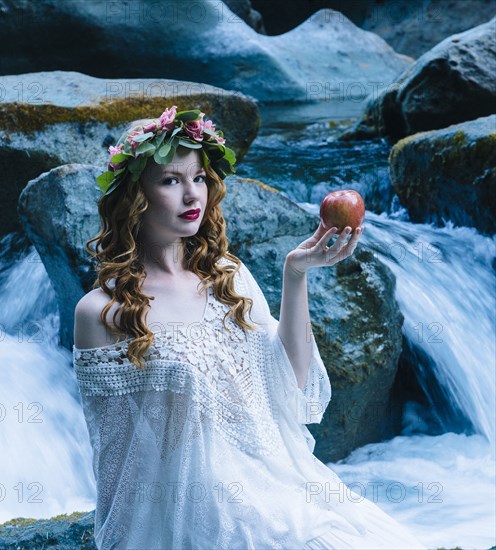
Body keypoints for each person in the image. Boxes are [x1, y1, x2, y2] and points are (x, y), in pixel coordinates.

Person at [72, 106, 426, 549]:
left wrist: (295, 275)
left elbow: (290, 385)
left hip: (275, 486)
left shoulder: (228, 276)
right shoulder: (101, 311)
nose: (192, 196)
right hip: (190, 514)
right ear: (135, 197)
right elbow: (115, 456)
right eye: (170, 180)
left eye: (198, 178)